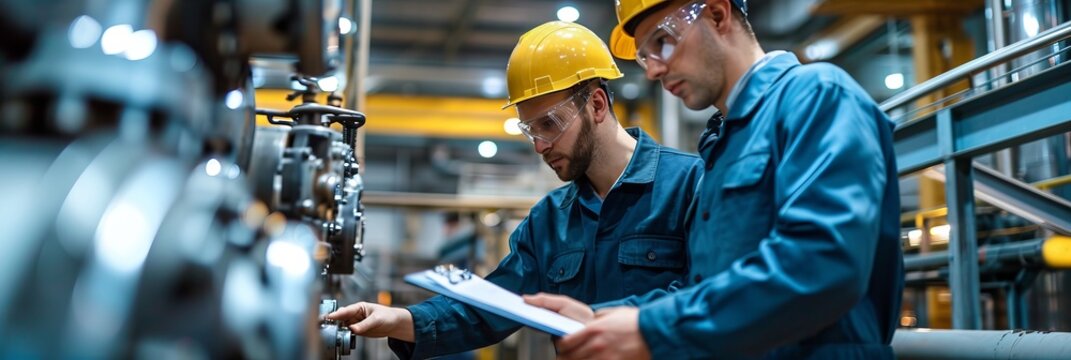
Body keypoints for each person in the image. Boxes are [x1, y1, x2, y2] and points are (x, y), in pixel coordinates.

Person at [525, 0, 904, 358]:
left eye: (663, 41)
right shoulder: (721, 150)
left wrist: (650, 328)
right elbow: (707, 290)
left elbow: (823, 263)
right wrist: (603, 319)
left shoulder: (816, 97)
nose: (654, 69)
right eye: (645, 55)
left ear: (718, 15)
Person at [326, 21, 704, 359]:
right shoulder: (549, 220)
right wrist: (399, 318)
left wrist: (605, 321)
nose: (540, 145)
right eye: (531, 130)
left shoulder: (690, 184)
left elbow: (714, 296)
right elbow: (493, 305)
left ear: (598, 104)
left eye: (550, 124)